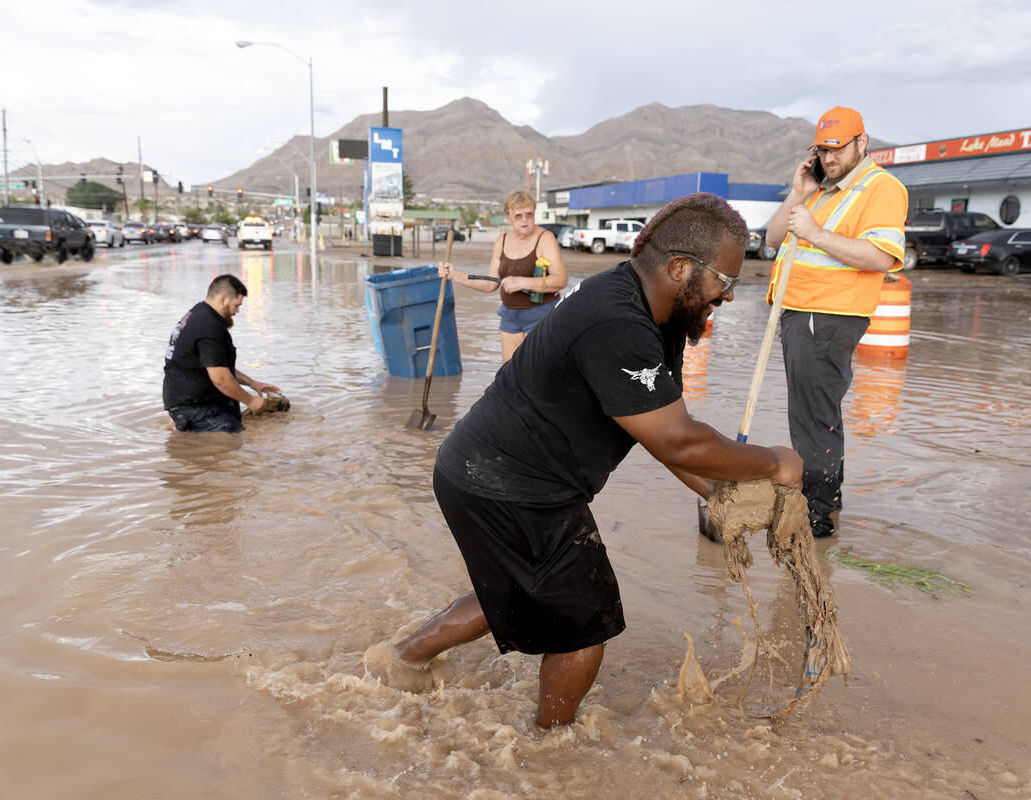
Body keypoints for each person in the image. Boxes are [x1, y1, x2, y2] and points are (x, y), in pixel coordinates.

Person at [364, 193, 804, 728]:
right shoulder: (617, 322)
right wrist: (774, 463)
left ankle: (401, 661)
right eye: (725, 282)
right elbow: (680, 441)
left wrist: (718, 493)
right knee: (587, 623)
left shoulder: (655, 313)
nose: (728, 298)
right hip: (512, 486)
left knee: (517, 590)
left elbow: (654, 429)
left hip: (481, 471)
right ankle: (549, 754)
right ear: (681, 267)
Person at [763, 106, 908, 538]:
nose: (829, 159)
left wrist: (814, 233)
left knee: (812, 416)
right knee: (815, 412)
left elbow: (881, 257)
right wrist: (797, 193)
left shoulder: (880, 188)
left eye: (837, 148)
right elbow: (772, 238)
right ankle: (828, 500)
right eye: (822, 150)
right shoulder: (822, 192)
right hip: (801, 311)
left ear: (862, 143)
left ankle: (817, 515)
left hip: (828, 315)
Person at [438, 190, 566, 362]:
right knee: (509, 375)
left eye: (529, 214)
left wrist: (522, 282)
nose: (525, 220)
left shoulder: (545, 238)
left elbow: (561, 280)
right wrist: (456, 276)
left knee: (537, 374)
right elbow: (491, 284)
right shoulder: (502, 240)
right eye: (519, 215)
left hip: (541, 315)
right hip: (510, 316)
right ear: (508, 218)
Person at [162, 273, 280, 433]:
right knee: (234, 443)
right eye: (237, 305)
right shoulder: (208, 326)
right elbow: (220, 379)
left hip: (188, 402)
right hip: (194, 406)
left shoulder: (199, 314)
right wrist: (251, 401)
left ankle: (181, 425)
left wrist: (252, 383)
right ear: (224, 299)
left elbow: (218, 366)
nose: (237, 311)